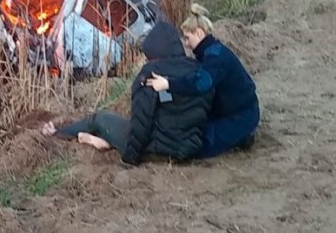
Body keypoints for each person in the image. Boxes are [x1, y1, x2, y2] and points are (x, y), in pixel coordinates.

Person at [40, 20, 214, 165]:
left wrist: (129, 159)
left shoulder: (150, 75)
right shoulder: (200, 71)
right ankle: (103, 142)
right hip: (190, 149)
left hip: (158, 150)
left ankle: (58, 133)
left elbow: (141, 123)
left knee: (99, 119)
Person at [145, 3, 259, 158]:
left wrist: (167, 84)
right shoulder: (208, 53)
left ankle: (243, 136)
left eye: (187, 38)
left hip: (241, 115)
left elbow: (200, 84)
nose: (186, 44)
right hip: (228, 111)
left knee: (198, 146)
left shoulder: (215, 58)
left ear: (198, 33)